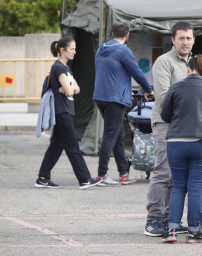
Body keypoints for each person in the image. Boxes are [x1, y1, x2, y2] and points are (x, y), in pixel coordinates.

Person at [145, 21, 202, 237]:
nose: (185, 42)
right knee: (164, 173)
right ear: (173, 39)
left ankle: (172, 221)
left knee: (180, 181)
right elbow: (165, 99)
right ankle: (155, 219)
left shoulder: (196, 62)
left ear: (194, 39)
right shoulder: (163, 62)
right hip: (167, 124)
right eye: (181, 38)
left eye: (189, 38)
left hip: (191, 128)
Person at [160, 54, 202, 243]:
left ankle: (172, 230)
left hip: (176, 142)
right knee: (195, 189)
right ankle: (193, 233)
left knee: (178, 187)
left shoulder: (174, 88)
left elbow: (165, 116)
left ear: (188, 69)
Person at [35, 37, 102, 190]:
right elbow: (72, 89)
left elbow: (76, 89)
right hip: (61, 111)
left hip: (64, 109)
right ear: (62, 50)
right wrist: (70, 87)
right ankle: (84, 179)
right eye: (72, 49)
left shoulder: (66, 69)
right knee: (72, 146)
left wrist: (69, 87)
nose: (75, 52)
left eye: (75, 49)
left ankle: (43, 177)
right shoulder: (59, 68)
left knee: (56, 146)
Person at [94, 22, 153, 186]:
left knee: (118, 134)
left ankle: (123, 174)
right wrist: (149, 90)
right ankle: (101, 175)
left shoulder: (101, 48)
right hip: (115, 99)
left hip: (100, 97)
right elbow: (137, 72)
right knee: (110, 135)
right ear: (127, 35)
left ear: (113, 33)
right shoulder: (123, 50)